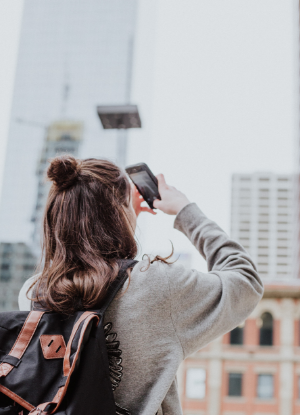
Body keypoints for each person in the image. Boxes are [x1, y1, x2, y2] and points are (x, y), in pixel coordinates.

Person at [18, 155, 263, 415]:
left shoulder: (34, 293)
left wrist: (124, 209)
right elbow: (245, 280)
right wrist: (184, 210)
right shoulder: (157, 285)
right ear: (119, 212)